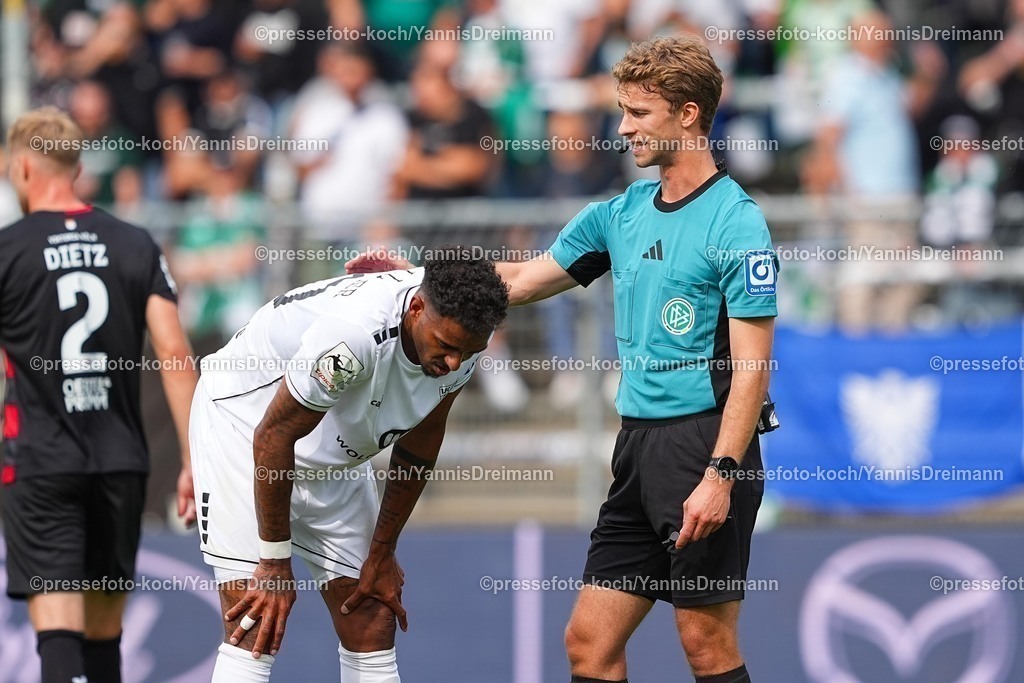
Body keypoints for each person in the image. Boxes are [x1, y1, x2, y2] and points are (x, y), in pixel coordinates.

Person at [349, 35, 776, 683]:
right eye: (623, 111)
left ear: (688, 115)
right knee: (589, 644)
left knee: (705, 643)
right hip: (636, 448)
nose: (624, 128)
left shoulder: (735, 222)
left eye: (639, 113)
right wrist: (411, 275)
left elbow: (753, 366)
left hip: (705, 446)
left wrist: (720, 475)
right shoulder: (620, 214)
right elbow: (518, 281)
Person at [190, 257, 509, 682]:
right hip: (244, 428)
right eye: (447, 346)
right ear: (416, 309)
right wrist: (273, 561)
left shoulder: (459, 335)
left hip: (330, 440)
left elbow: (421, 442)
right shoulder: (350, 338)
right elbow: (274, 436)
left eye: (470, 352)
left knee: (372, 614)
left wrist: (382, 552)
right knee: (254, 623)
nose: (455, 362)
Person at [0, 107, 197, 683]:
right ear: (80, 167)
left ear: (23, 168)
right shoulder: (135, 243)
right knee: (104, 640)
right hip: (119, 464)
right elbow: (175, 356)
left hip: (39, 463)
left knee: (58, 636)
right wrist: (192, 461)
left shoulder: (7, 251)